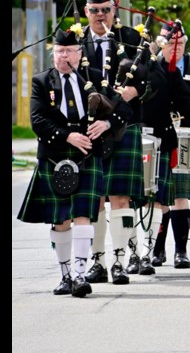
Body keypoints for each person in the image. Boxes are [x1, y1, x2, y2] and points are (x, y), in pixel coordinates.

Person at [18, 27, 129, 297]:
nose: (63, 56)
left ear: (79, 54)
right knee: (60, 220)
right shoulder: (42, 82)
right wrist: (68, 136)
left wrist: (105, 124)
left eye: (68, 51)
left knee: (83, 216)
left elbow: (122, 109)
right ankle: (65, 275)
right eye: (58, 51)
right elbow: (38, 121)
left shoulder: (92, 79)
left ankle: (80, 275)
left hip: (86, 157)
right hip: (55, 156)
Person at [80, 0, 150, 285]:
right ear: (86, 12)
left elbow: (149, 79)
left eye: (105, 10)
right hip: (87, 128)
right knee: (93, 198)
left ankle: (120, 262)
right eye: (94, 10)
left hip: (123, 126)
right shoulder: (74, 41)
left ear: (114, 10)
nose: (100, 16)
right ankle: (97, 263)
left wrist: (131, 95)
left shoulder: (132, 39)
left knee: (120, 197)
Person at [139, 24, 190, 272]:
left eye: (180, 44)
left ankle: (181, 251)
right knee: (156, 196)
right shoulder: (149, 65)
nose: (176, 48)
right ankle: (156, 249)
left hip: (184, 139)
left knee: (180, 195)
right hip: (155, 138)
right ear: (161, 44)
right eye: (171, 43)